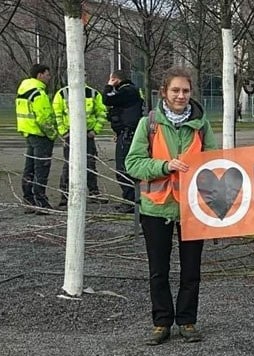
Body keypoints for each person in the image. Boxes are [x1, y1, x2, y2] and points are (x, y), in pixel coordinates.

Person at [125, 66, 217, 345]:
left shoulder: (202, 125)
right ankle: (161, 322)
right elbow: (132, 163)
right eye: (175, 90)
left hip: (193, 209)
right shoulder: (149, 124)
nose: (180, 95)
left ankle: (187, 321)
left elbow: (214, 163)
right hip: (156, 208)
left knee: (191, 271)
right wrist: (165, 166)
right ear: (163, 92)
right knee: (158, 270)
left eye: (185, 90)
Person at [53, 83, 109, 207]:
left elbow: (102, 112)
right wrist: (64, 132)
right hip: (71, 134)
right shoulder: (63, 94)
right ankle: (65, 194)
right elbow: (57, 115)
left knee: (90, 164)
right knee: (69, 165)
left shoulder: (93, 93)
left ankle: (93, 192)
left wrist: (95, 130)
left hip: (87, 134)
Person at [16, 64, 57, 214]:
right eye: (47, 74)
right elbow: (44, 117)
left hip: (29, 132)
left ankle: (28, 199)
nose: (49, 77)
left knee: (29, 168)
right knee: (41, 169)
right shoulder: (39, 93)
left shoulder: (24, 90)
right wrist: (53, 134)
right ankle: (41, 202)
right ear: (40, 75)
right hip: (41, 135)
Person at [103, 70, 144, 213]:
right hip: (127, 134)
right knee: (127, 168)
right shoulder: (132, 91)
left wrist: (109, 86)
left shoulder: (126, 91)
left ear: (116, 80)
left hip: (127, 136)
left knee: (123, 169)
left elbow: (107, 99)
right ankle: (133, 199)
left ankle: (130, 201)